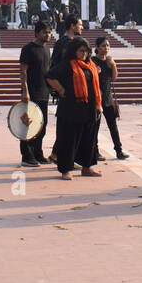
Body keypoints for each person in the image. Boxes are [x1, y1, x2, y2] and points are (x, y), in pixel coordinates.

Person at [45, 37, 102, 180]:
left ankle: (87, 167)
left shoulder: (90, 65)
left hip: (89, 109)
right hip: (70, 109)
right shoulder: (67, 64)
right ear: (73, 51)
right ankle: (66, 170)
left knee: (89, 140)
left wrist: (98, 105)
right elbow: (49, 76)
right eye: (81, 51)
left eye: (86, 51)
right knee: (68, 140)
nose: (84, 54)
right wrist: (61, 90)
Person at [18, 21, 53, 167]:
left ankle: (38, 153)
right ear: (37, 33)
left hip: (44, 92)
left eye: (49, 32)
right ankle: (27, 156)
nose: (48, 35)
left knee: (42, 125)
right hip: (31, 93)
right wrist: (25, 90)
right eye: (45, 32)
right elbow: (23, 71)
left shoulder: (47, 49)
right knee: (29, 125)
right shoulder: (28, 49)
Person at [93, 35, 128, 160]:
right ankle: (95, 151)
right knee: (95, 127)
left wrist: (113, 65)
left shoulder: (109, 60)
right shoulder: (92, 61)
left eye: (108, 45)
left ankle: (119, 150)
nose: (106, 48)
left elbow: (113, 78)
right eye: (103, 45)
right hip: (96, 98)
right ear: (97, 48)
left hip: (108, 98)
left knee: (113, 126)